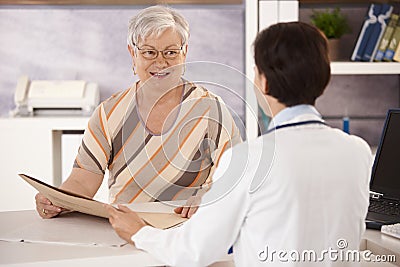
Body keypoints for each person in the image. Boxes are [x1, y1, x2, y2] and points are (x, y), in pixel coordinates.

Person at [105, 22, 372, 266]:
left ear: (264, 82)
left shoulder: (249, 159)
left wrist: (139, 232)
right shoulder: (358, 152)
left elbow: (192, 251)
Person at [35, 5, 241, 219]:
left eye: (170, 52)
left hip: (186, 234)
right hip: (125, 231)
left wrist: (209, 196)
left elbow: (237, 175)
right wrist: (56, 200)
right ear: (133, 53)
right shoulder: (108, 113)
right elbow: (82, 181)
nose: (161, 62)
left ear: (184, 53)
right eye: (149, 52)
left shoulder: (211, 110)